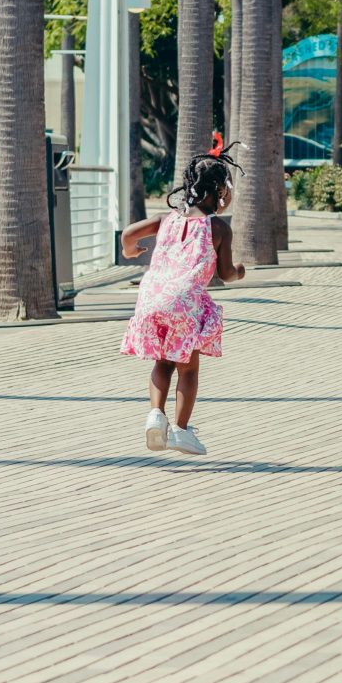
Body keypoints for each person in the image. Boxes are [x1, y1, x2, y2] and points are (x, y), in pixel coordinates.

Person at [119, 143, 246, 456]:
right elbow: (227, 273)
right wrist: (240, 272)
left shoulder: (166, 219)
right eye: (226, 190)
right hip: (184, 302)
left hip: (152, 298)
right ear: (218, 190)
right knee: (188, 369)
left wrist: (130, 252)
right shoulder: (217, 227)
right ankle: (180, 430)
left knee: (163, 362)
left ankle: (155, 415)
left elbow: (128, 235)